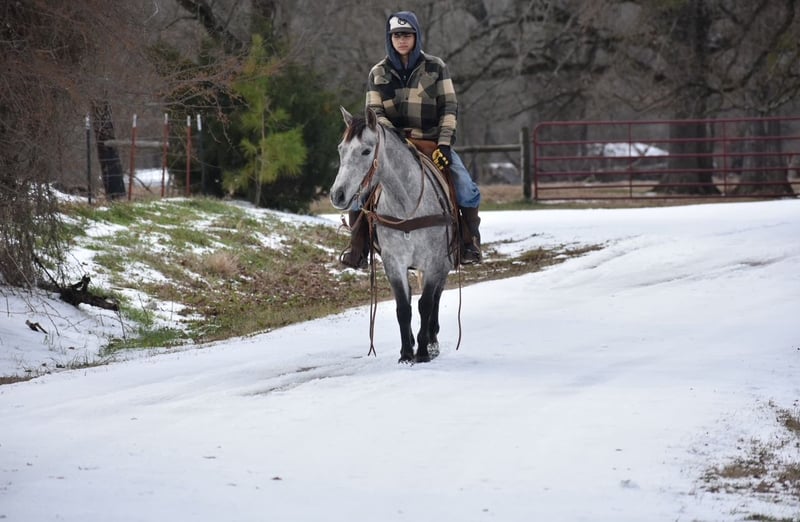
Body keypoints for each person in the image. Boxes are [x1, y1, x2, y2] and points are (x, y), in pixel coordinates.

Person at [340, 10, 482, 269]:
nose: (402, 40)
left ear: (416, 37)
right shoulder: (378, 72)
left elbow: (449, 107)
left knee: (465, 187)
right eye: (396, 36)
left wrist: (444, 144)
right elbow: (375, 113)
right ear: (390, 39)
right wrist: (395, 141)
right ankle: (357, 248)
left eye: (407, 35)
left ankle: (468, 243)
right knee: (361, 189)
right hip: (392, 148)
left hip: (431, 144)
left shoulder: (436, 67)